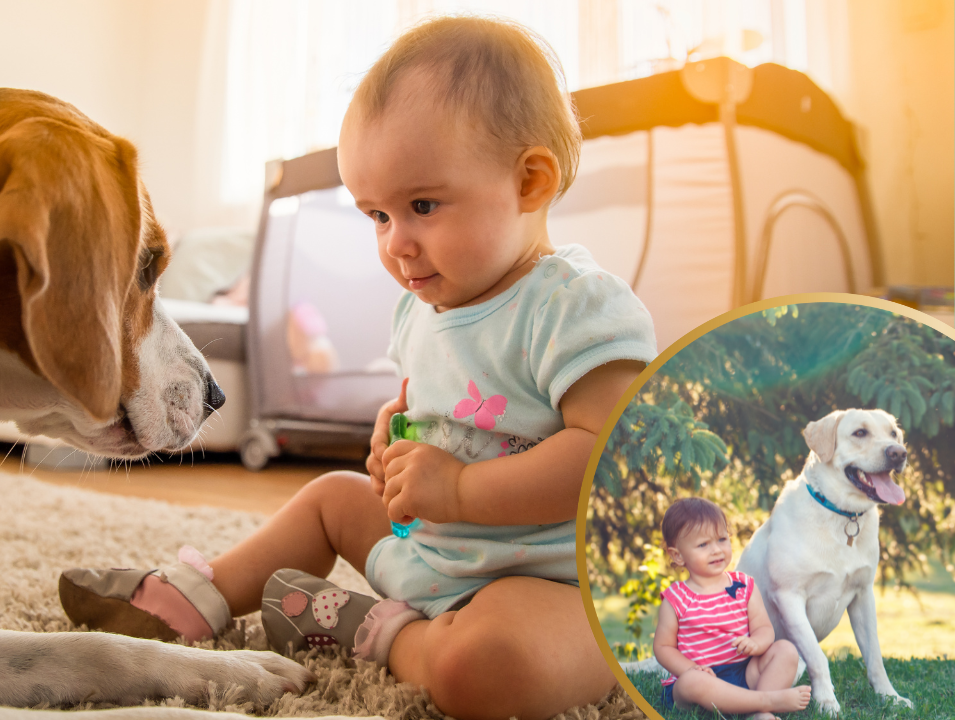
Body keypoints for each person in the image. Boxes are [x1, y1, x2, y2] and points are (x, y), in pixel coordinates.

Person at [58, 16, 658, 719]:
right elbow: (432, 404)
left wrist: (461, 491)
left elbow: (608, 458)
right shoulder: (423, 306)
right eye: (376, 215)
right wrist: (394, 433)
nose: (397, 244)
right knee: (332, 498)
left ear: (529, 182)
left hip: (555, 580)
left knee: (491, 673)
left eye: (422, 206)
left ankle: (376, 629)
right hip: (438, 551)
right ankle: (196, 596)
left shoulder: (576, 308)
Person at [653, 498, 812, 720]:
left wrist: (756, 643)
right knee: (692, 682)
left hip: (743, 673)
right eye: (703, 545)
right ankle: (766, 702)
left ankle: (757, 714)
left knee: (785, 650)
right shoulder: (676, 597)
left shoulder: (743, 586)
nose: (716, 550)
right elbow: (663, 647)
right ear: (678, 555)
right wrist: (691, 668)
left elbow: (765, 629)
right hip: (701, 682)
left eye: (721, 539)